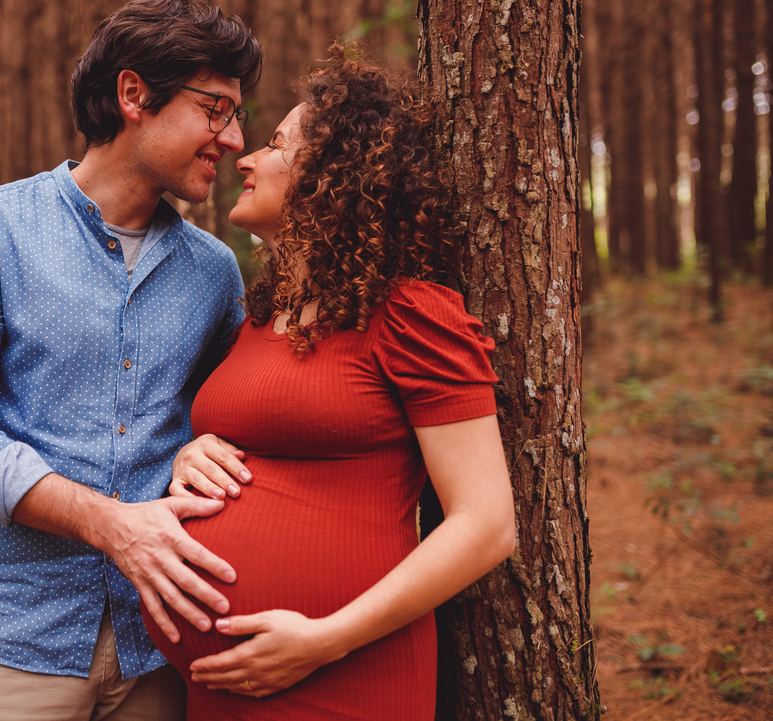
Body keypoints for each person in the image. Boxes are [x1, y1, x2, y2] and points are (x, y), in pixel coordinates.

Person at [0, 0, 262, 721]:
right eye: (216, 109)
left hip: (162, 645)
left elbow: (232, 417)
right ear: (134, 93)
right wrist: (111, 524)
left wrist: (201, 445)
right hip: (14, 642)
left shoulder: (215, 271)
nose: (233, 138)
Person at [143, 45, 517, 719]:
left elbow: (487, 525)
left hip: (343, 673)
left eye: (275, 144)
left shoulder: (411, 315)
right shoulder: (259, 316)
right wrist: (187, 454)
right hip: (223, 688)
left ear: (331, 173)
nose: (247, 159)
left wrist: (324, 640)